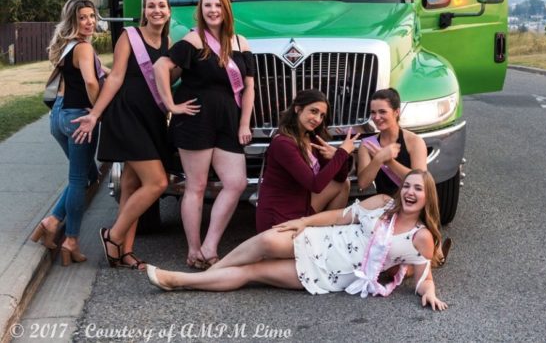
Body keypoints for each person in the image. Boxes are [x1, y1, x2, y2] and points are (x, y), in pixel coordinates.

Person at [146, 169, 448, 311]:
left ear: (427, 197)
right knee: (266, 241)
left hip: (330, 274)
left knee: (255, 272)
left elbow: (424, 276)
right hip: (321, 242)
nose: (410, 192)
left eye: (418, 189)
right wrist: (303, 222)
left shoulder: (420, 237)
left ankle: (180, 281)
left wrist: (429, 293)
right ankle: (203, 277)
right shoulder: (382, 202)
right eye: (407, 185)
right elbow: (339, 215)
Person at [154, 0, 255, 270]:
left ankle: (211, 244)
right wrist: (171, 105)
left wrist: (245, 122)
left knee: (236, 183)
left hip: (229, 121)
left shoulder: (240, 42)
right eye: (208, 6)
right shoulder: (194, 39)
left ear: (226, 10)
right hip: (195, 119)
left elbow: (249, 87)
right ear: (201, 11)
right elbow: (161, 67)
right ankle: (194, 250)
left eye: (218, 6)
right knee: (196, 187)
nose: (213, 11)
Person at [72, 0, 173, 270]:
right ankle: (112, 236)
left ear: (168, 11)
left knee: (131, 184)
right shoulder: (130, 36)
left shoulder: (168, 41)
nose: (157, 10)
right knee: (157, 182)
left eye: (161, 6)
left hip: (151, 117)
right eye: (151, 5)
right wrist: (95, 114)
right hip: (126, 114)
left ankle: (124, 252)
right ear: (144, 10)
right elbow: (115, 77)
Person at [30, 0, 103, 266]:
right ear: (73, 21)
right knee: (78, 179)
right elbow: (90, 81)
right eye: (82, 17)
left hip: (58, 116)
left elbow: (97, 70)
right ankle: (70, 240)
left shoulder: (68, 46)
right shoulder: (83, 47)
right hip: (78, 117)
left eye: (92, 16)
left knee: (87, 175)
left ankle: (51, 222)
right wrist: (97, 113)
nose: (89, 22)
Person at [256, 89, 358, 233]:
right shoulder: (283, 143)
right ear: (298, 109)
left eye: (322, 115)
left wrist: (340, 156)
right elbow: (315, 185)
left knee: (344, 183)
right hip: (279, 217)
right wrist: (341, 153)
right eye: (313, 111)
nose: (317, 119)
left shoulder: (312, 139)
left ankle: (330, 233)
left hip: (300, 207)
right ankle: (323, 235)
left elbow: (339, 179)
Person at [356, 88, 427, 196]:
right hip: (384, 203)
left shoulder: (415, 142)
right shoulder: (367, 144)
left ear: (396, 112)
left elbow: (420, 182)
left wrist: (389, 162)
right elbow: (362, 184)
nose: (376, 117)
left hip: (411, 202)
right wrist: (379, 159)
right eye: (373, 112)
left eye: (382, 112)